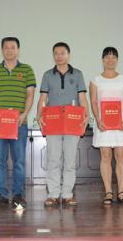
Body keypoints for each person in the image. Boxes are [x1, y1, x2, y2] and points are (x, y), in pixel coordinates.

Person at [0, 37, 36, 209]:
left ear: (18, 50)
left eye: (12, 47)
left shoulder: (27, 70)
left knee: (19, 161)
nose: (9, 50)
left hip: (19, 123)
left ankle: (18, 195)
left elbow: (30, 94)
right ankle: (0, 194)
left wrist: (24, 114)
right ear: (2, 50)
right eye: (6, 47)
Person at [37, 42, 89, 207]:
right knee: (53, 159)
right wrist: (39, 116)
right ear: (53, 56)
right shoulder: (47, 75)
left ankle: (67, 194)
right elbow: (43, 98)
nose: (59, 56)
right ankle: (52, 194)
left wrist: (86, 116)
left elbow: (82, 98)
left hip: (73, 122)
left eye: (62, 53)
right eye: (56, 53)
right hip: (53, 122)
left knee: (70, 161)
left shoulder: (78, 74)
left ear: (68, 55)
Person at [90, 46, 123, 206]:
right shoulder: (95, 80)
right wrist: (98, 119)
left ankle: (121, 192)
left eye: (113, 57)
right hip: (103, 122)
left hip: (120, 122)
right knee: (106, 156)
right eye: (107, 57)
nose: (110, 60)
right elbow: (93, 101)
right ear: (102, 60)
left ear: (117, 60)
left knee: (121, 155)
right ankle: (108, 192)